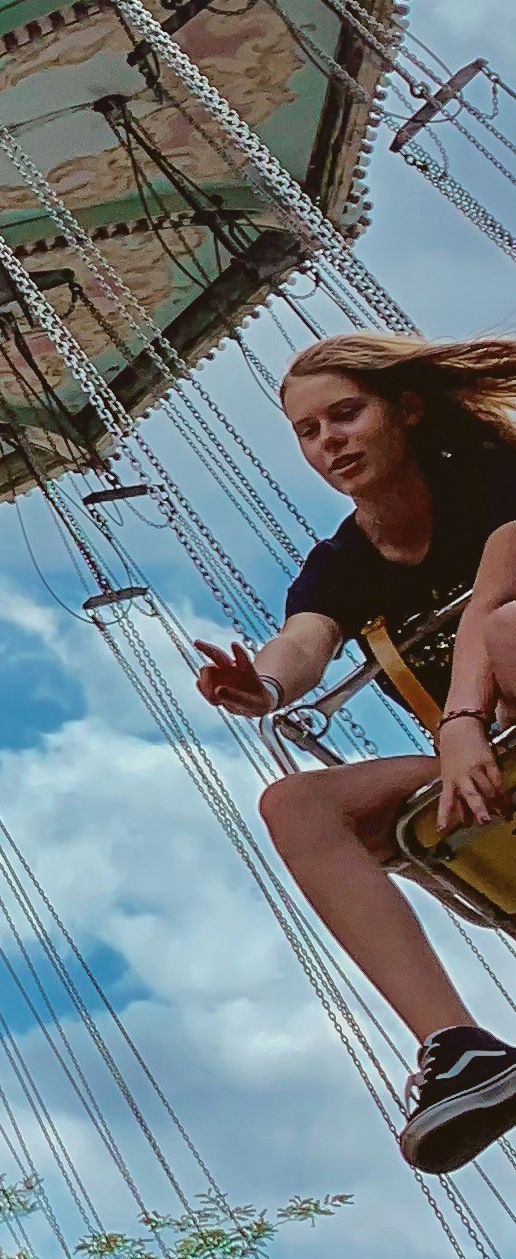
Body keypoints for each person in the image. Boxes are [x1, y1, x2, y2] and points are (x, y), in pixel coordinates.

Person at [192, 332, 516, 1177]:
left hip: (495, 710)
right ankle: (459, 1047)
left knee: (513, 632)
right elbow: (306, 640)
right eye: (308, 431)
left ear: (405, 408)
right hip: (487, 756)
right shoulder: (342, 561)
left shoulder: (490, 470)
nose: (329, 441)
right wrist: (261, 686)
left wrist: (462, 717)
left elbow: (496, 599)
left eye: (346, 413)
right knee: (295, 803)